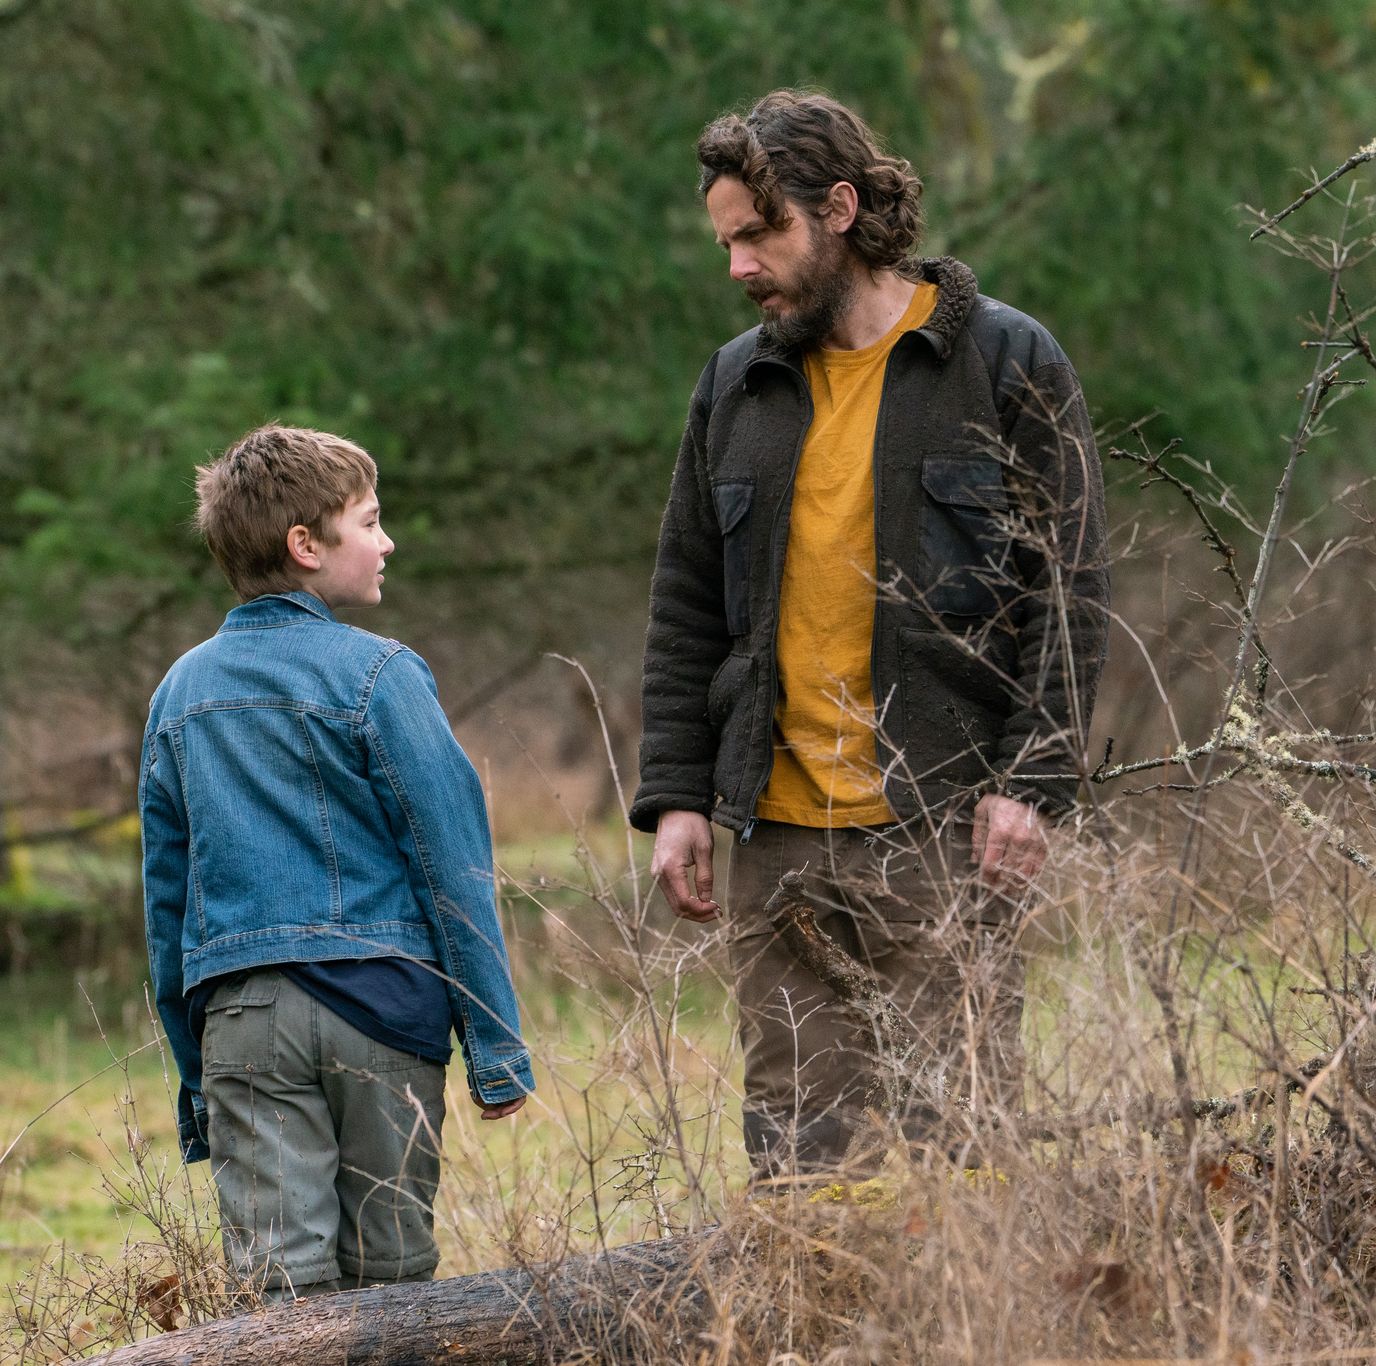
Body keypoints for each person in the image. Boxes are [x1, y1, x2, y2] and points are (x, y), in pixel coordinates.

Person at [632, 90, 1109, 1176]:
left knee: (960, 1148)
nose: (739, 265)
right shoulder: (736, 384)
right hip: (775, 838)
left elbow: (1070, 592)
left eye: (760, 235)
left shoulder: (1005, 360)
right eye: (727, 242)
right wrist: (676, 797)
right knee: (798, 1153)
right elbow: (687, 602)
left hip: (942, 828)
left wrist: (1031, 784)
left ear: (840, 209)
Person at [141, 425, 534, 1299]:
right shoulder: (382, 674)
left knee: (279, 1297)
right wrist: (495, 1047)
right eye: (371, 521)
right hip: (384, 1013)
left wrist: (198, 1080)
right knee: (392, 1289)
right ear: (306, 546)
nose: (387, 542)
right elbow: (453, 867)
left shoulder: (178, 694)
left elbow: (167, 904)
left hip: (243, 1021)